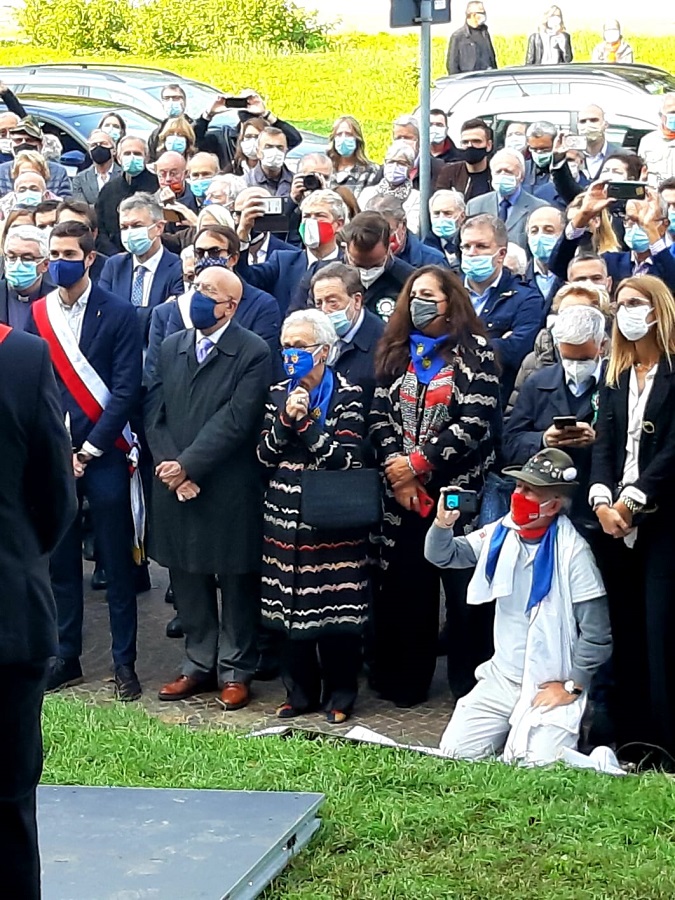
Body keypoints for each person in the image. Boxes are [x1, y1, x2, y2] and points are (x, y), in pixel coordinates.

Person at [426, 448, 611, 765]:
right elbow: (443, 556)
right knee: (454, 754)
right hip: (501, 679)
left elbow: (597, 633)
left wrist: (573, 686)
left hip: (550, 685)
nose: (518, 494)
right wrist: (443, 524)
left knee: (536, 767)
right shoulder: (501, 532)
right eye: (519, 486)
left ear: (553, 504)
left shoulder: (573, 552)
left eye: (530, 490)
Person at [370, 265, 500, 707]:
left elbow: (476, 422)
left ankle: (471, 685)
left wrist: (418, 465)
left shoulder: (475, 353)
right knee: (408, 590)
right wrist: (397, 468)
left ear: (451, 303)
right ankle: (405, 682)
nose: (418, 302)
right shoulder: (396, 350)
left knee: (464, 596)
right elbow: (377, 418)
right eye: (414, 294)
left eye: (429, 294)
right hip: (402, 496)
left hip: (457, 494)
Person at [146, 264, 271, 710]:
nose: (198, 295)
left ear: (231, 305)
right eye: (196, 287)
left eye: (209, 291)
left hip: (227, 485)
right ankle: (197, 663)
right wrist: (169, 467)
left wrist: (189, 465)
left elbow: (237, 420)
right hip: (176, 484)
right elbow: (153, 410)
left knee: (236, 579)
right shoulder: (171, 345)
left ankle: (235, 669)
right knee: (187, 574)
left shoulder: (252, 351)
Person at [28, 221, 143, 700]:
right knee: (59, 561)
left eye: (68, 252)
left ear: (90, 258)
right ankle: (66, 654)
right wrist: (60, 450)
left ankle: (124, 663)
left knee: (116, 562)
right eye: (53, 252)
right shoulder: (37, 313)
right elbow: (36, 385)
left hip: (106, 453)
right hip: (57, 455)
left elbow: (125, 388)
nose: (60, 260)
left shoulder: (118, 313)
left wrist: (91, 448)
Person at [257, 309, 369, 723]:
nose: (290, 354)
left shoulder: (350, 394)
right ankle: (298, 692)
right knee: (288, 613)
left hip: (333, 518)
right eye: (286, 346)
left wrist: (306, 428)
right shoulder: (274, 393)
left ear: (323, 351)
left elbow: (346, 458)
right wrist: (287, 419)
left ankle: (341, 694)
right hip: (284, 520)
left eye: (299, 347)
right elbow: (263, 455)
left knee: (336, 611)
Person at [0, 317, 76, 900]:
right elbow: (54, 496)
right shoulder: (21, 356)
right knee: (7, 809)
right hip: (7, 612)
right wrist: (22, 554)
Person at [590, 275, 675, 764]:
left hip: (662, 522)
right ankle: (635, 741)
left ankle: (667, 746)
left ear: (658, 309)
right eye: (620, 303)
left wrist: (635, 500)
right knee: (626, 629)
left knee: (661, 630)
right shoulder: (617, 372)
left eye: (635, 303)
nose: (626, 311)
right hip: (614, 520)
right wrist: (603, 500)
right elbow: (605, 442)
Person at [504, 304, 607, 538]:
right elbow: (509, 443)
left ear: (602, 346)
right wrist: (543, 440)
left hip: (597, 504)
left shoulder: (617, 384)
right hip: (544, 509)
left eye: (583, 358)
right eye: (568, 357)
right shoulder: (537, 382)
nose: (576, 366)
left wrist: (598, 438)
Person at [460, 214, 545, 402]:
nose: (472, 253)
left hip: (496, 398)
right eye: (466, 246)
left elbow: (517, 352)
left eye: (481, 246)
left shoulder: (526, 298)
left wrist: (457, 343)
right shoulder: (447, 291)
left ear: (501, 254)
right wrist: (494, 342)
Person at [506, 279, 612, 414]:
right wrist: (544, 436)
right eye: (565, 314)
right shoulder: (532, 364)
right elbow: (513, 424)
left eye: (581, 316)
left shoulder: (618, 367)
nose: (572, 321)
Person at [236, 188, 346, 316]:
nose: (311, 221)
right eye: (306, 216)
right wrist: (243, 232)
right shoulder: (283, 261)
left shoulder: (348, 264)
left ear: (338, 224)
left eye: (320, 216)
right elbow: (246, 278)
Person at [549, 184, 675, 292]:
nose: (637, 226)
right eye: (629, 220)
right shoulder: (611, 261)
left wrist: (650, 229)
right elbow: (560, 267)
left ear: (664, 225)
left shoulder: (668, 262)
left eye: (641, 221)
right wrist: (583, 217)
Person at [99, 192, 184, 345]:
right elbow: (103, 316)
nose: (130, 232)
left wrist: (123, 315)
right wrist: (153, 313)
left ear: (159, 228)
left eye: (137, 226)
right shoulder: (113, 266)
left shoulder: (178, 267)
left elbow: (169, 322)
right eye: (124, 227)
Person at [310, 261, 384, 411]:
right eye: (319, 303)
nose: (324, 310)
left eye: (332, 302)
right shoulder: (314, 337)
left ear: (356, 301)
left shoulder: (383, 342)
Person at [340, 211, 414, 323]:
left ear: (389, 248)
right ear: (345, 248)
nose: (367, 271)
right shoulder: (327, 279)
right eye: (358, 265)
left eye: (376, 265)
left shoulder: (409, 281)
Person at [466, 149, 548, 251]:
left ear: (521, 176)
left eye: (508, 172)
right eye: (498, 171)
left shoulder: (539, 208)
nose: (503, 175)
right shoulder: (475, 206)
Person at [96, 136, 159, 255]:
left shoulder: (158, 186)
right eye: (127, 154)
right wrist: (113, 255)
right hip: (114, 257)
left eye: (137, 153)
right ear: (118, 158)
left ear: (146, 158)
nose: (132, 157)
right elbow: (100, 229)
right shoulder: (109, 190)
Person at [364, 194, 446, 268]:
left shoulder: (433, 260)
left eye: (388, 231)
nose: (381, 238)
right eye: (374, 232)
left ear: (403, 225)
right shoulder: (359, 259)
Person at [0, 115, 71, 198]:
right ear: (11, 144)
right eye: (18, 140)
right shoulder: (1, 171)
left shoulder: (58, 172)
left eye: (29, 140)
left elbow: (66, 203)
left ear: (41, 144)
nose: (23, 144)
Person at [358, 141, 420, 234]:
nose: (395, 167)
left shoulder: (416, 197)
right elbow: (357, 223)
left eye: (401, 163)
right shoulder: (367, 193)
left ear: (410, 167)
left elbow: (413, 229)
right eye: (391, 162)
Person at [0, 224, 52, 328]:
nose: (17, 264)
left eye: (27, 258)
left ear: (45, 264)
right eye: (12, 257)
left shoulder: (56, 300)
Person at [435, 118, 494, 202]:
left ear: (488, 145)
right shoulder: (449, 173)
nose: (470, 145)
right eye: (465, 142)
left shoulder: (496, 173)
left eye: (476, 141)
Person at [233, 186, 294, 265]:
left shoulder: (290, 254)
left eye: (257, 215)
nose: (248, 220)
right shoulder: (225, 252)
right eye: (241, 214)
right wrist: (242, 234)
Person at [327, 115, 379, 198]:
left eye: (348, 134)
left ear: (357, 139)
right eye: (339, 134)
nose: (343, 138)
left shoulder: (371, 170)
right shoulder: (326, 168)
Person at [525, 205, 565, 307]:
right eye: (534, 231)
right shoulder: (520, 276)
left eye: (548, 231)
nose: (540, 236)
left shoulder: (571, 274)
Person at [446, 2, 497, 75]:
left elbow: (492, 59)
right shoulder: (458, 36)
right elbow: (452, 65)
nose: (484, 15)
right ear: (473, 15)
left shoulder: (484, 33)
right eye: (482, 12)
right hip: (469, 81)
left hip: (487, 79)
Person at [523, 122, 565, 209]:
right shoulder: (522, 170)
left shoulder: (564, 170)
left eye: (544, 149)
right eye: (534, 149)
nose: (539, 152)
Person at [72, 129, 120, 204]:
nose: (98, 148)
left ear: (114, 150)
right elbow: (81, 207)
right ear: (89, 152)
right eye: (93, 145)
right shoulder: (80, 179)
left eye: (103, 144)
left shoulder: (125, 176)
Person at [244, 126, 293, 197]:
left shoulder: (294, 181)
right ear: (258, 152)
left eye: (280, 148)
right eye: (268, 147)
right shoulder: (246, 182)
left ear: (286, 152)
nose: (275, 151)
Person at [577, 105, 623, 181]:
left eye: (594, 120)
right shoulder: (571, 156)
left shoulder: (623, 156)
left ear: (605, 125)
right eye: (583, 121)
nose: (588, 125)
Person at [638, 94, 675, 185]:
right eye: (672, 112)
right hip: (655, 196)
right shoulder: (648, 141)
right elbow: (641, 174)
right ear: (661, 115)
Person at [426, 189, 466, 271]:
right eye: (436, 213)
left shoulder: (473, 242)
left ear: (462, 216)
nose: (441, 218)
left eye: (447, 213)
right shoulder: (426, 247)